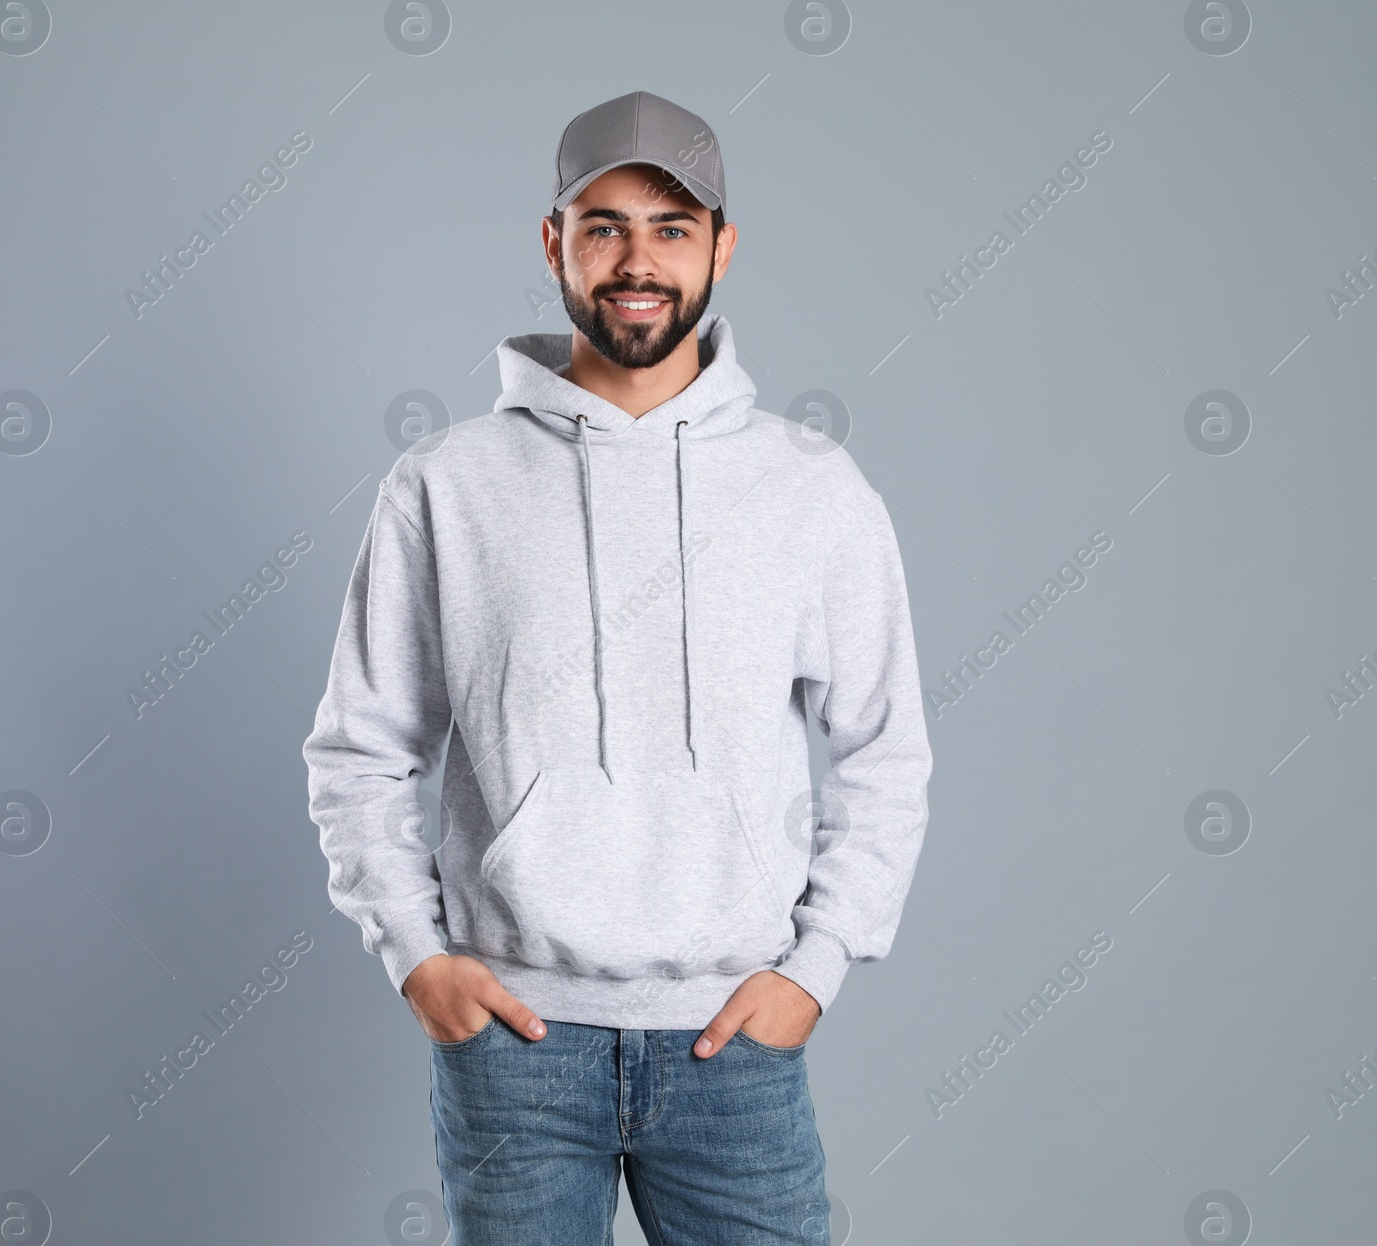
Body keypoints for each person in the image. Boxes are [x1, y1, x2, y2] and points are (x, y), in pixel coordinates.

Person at [303, 89, 932, 1245]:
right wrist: (417, 958)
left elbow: (885, 752)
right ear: (554, 242)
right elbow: (359, 749)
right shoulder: (446, 484)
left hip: (733, 1044)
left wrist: (819, 965)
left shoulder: (811, 488)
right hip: (516, 1046)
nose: (637, 261)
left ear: (721, 248)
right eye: (605, 225)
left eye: (672, 228)